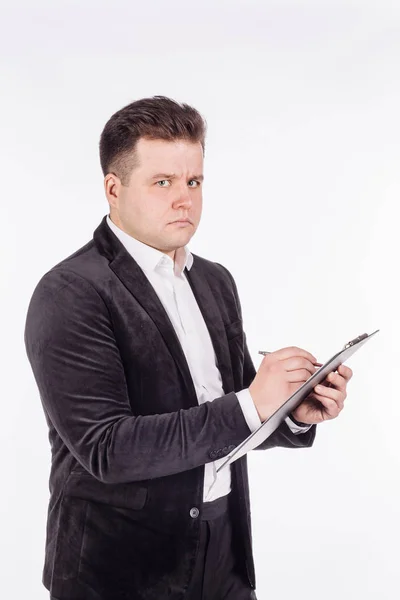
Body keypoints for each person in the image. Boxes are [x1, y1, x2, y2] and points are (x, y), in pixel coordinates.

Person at [24, 95, 353, 600]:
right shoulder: (70, 292)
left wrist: (292, 412)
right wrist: (252, 403)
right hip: (117, 575)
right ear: (113, 189)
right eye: (163, 183)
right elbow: (107, 450)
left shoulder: (215, 281)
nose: (185, 199)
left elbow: (230, 418)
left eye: (193, 181)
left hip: (222, 560)